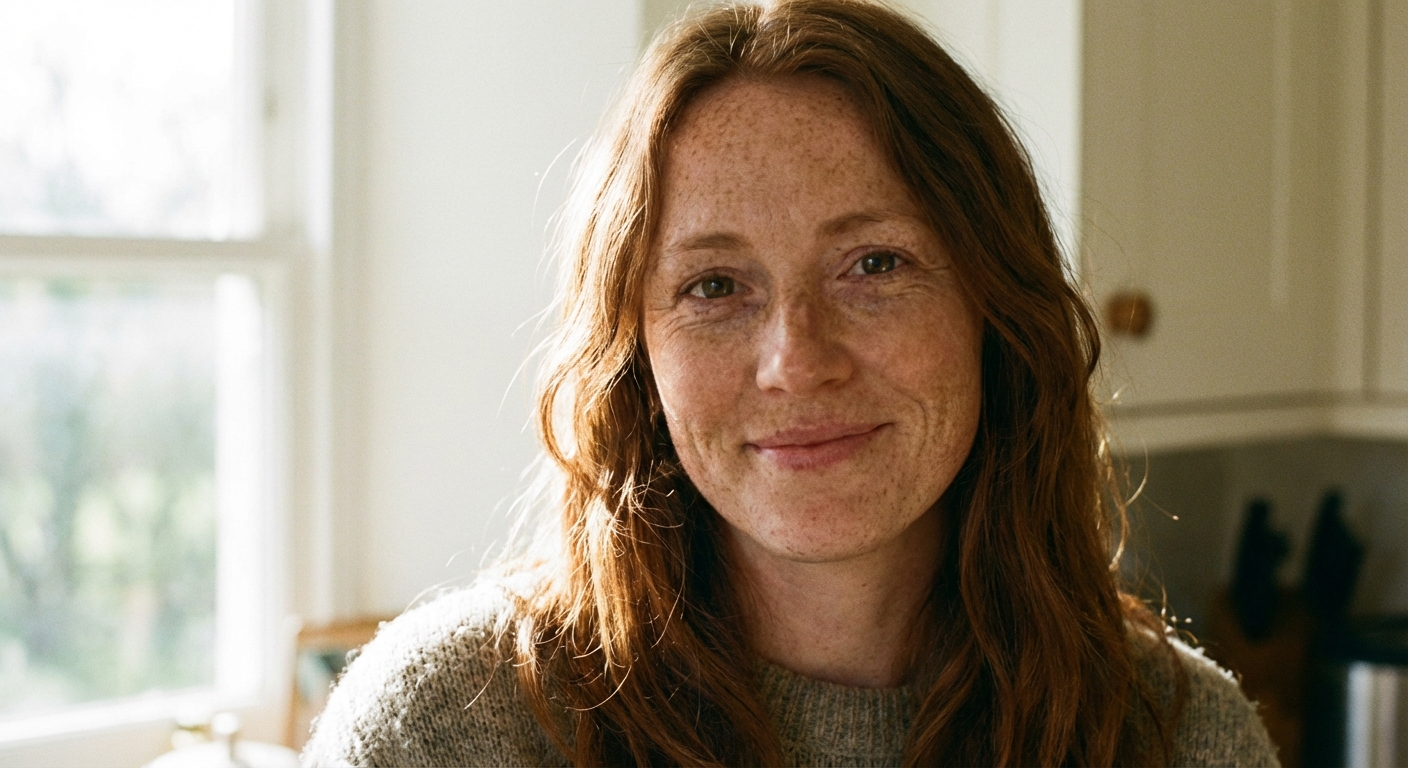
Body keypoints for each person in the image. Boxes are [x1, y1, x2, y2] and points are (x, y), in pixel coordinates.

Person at [303, 1, 1280, 765]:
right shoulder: (443, 733)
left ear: (997, 309)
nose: (796, 360)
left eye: (874, 266)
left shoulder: (1176, 738)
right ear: (636, 356)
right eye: (715, 286)